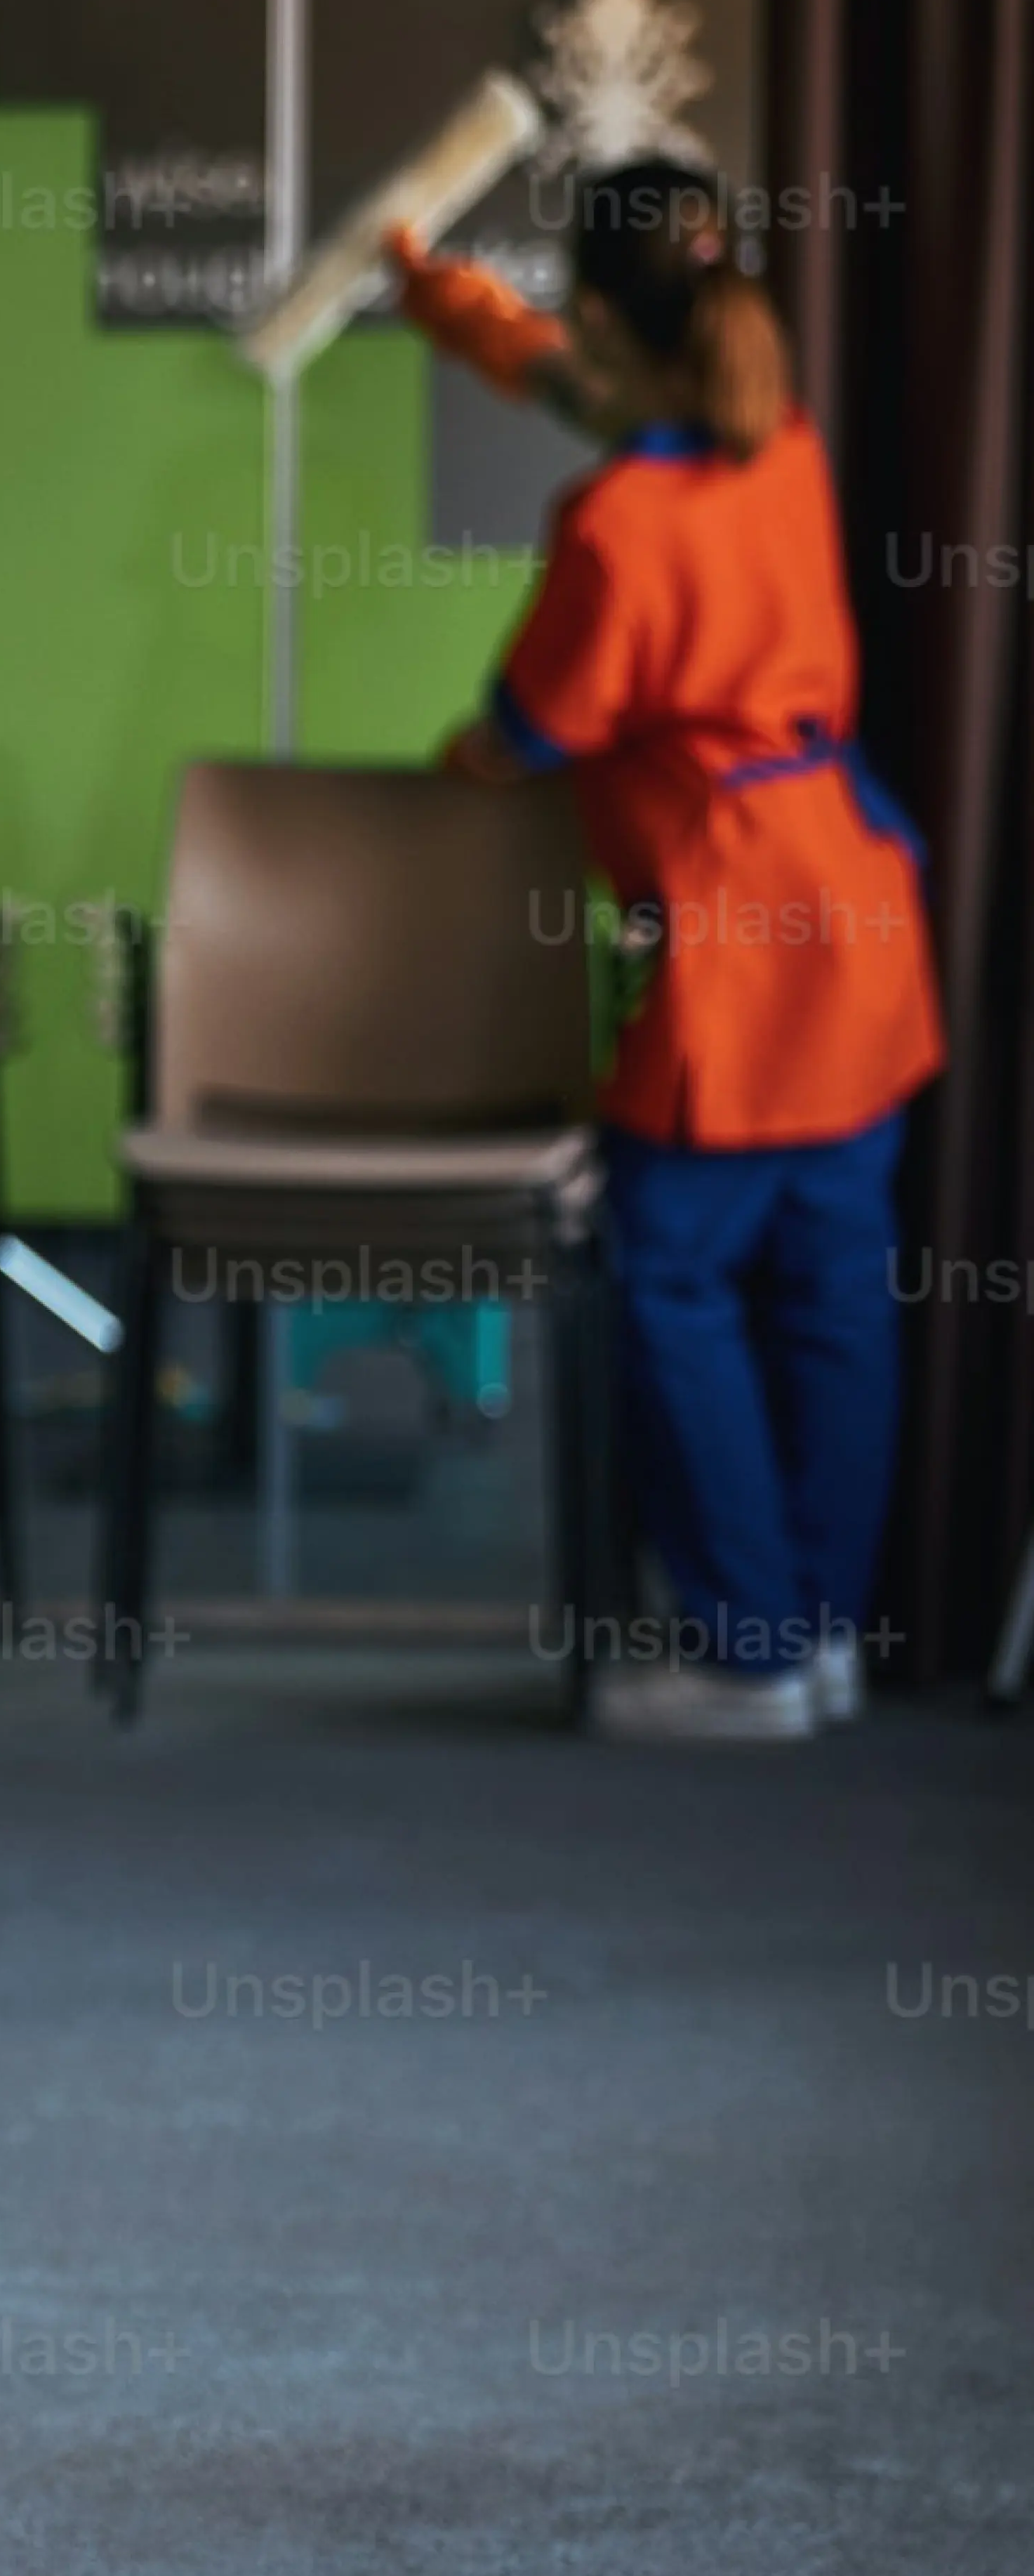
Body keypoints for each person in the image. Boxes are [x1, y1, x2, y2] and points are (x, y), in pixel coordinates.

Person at [391, 166, 944, 1741]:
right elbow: (572, 380)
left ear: (595, 307)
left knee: (675, 1277)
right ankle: (823, 1636)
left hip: (738, 940)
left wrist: (456, 775)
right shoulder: (777, 443)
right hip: (854, 907)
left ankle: (747, 1652)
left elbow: (534, 727)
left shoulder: (619, 524)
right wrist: (436, 295)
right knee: (836, 1289)